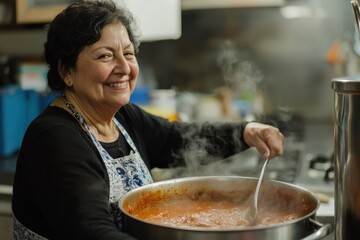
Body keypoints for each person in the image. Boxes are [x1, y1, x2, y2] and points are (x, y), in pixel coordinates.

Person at [11, 0, 285, 239]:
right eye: (105, 56)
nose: (124, 68)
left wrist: (246, 131)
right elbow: (91, 231)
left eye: (128, 53)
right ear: (66, 70)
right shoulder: (55, 139)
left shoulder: (122, 117)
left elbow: (175, 139)